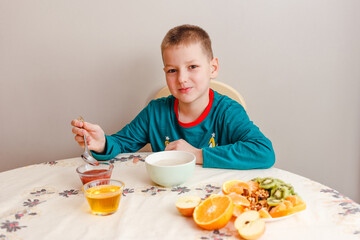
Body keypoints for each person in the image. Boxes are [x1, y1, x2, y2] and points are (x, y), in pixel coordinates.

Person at [71, 24, 275, 170]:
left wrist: (196, 155)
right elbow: (121, 143)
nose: (182, 79)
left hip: (216, 201)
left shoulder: (227, 112)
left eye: (192, 67)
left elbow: (263, 151)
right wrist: (102, 143)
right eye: (172, 71)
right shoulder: (155, 113)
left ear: (212, 68)